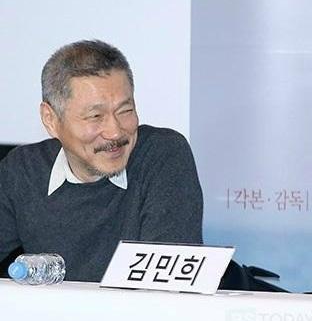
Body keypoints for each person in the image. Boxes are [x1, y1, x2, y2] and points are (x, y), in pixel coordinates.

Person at [0, 40, 203, 282]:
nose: (115, 132)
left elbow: (165, 288)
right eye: (95, 116)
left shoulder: (162, 155)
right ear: (50, 119)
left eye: (125, 111)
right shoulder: (24, 169)